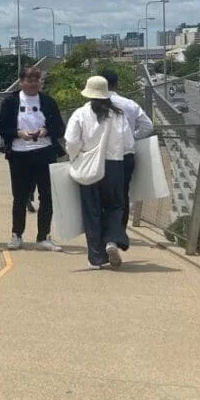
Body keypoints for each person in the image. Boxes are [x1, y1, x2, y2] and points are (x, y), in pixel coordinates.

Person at [0, 67, 67, 252]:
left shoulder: (48, 101)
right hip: (20, 153)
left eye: (37, 80)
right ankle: (16, 234)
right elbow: (2, 127)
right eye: (29, 79)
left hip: (44, 151)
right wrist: (18, 134)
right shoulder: (11, 102)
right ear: (21, 81)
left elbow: (59, 127)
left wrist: (46, 130)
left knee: (47, 196)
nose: (34, 83)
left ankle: (44, 236)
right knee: (19, 196)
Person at [65, 76, 133, 269]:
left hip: (88, 165)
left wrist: (75, 156)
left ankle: (96, 258)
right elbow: (128, 143)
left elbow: (71, 141)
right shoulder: (118, 115)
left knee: (91, 210)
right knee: (115, 205)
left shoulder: (80, 113)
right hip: (114, 165)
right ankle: (112, 239)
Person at [101, 70, 154, 236]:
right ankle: (118, 234)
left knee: (100, 194)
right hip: (126, 155)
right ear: (116, 84)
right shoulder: (129, 104)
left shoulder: (93, 105)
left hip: (102, 156)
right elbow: (148, 126)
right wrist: (132, 137)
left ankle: (103, 232)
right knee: (122, 195)